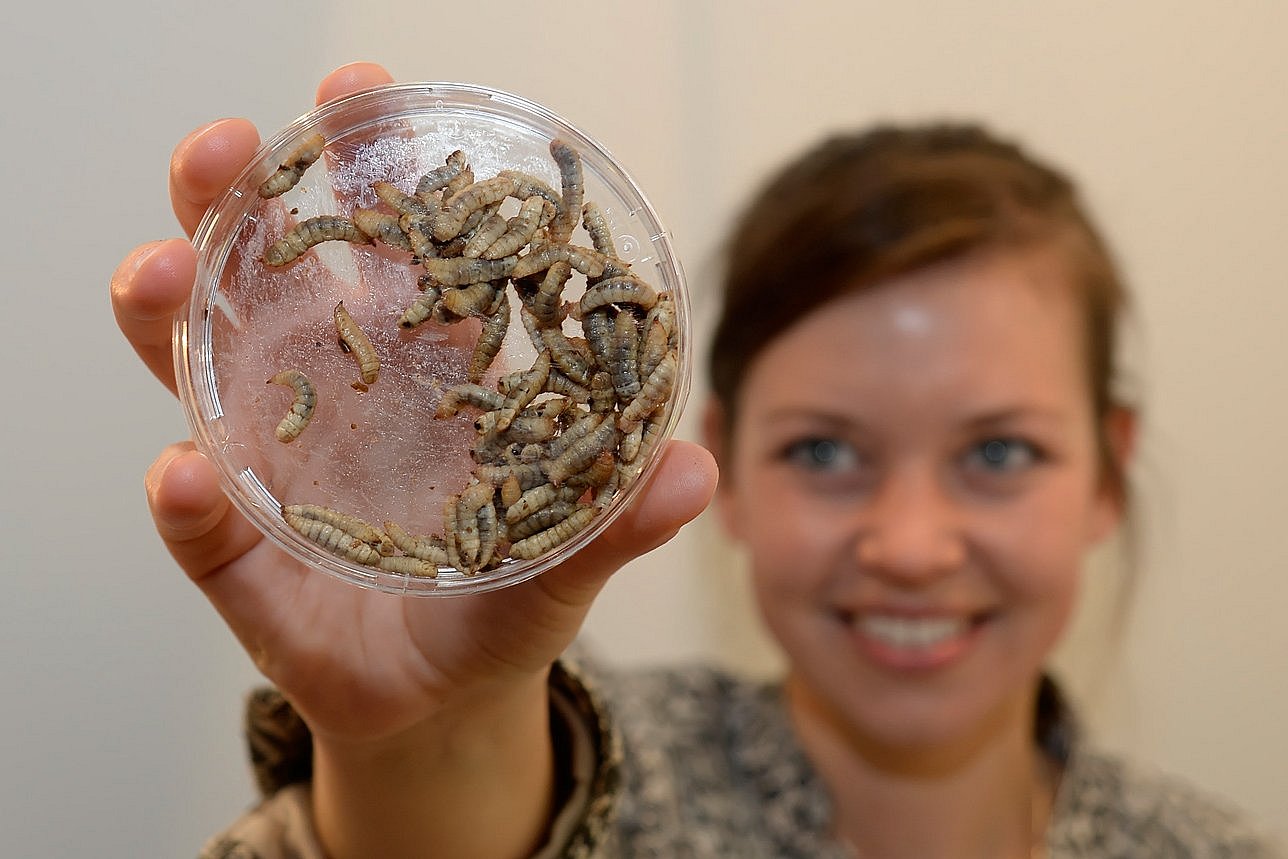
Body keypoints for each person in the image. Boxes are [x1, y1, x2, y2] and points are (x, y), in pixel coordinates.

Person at [110, 62, 1283, 858]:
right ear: (717, 457)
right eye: (823, 448)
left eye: (1001, 451)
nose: (913, 544)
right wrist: (421, 745)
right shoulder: (605, 763)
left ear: (1107, 476)